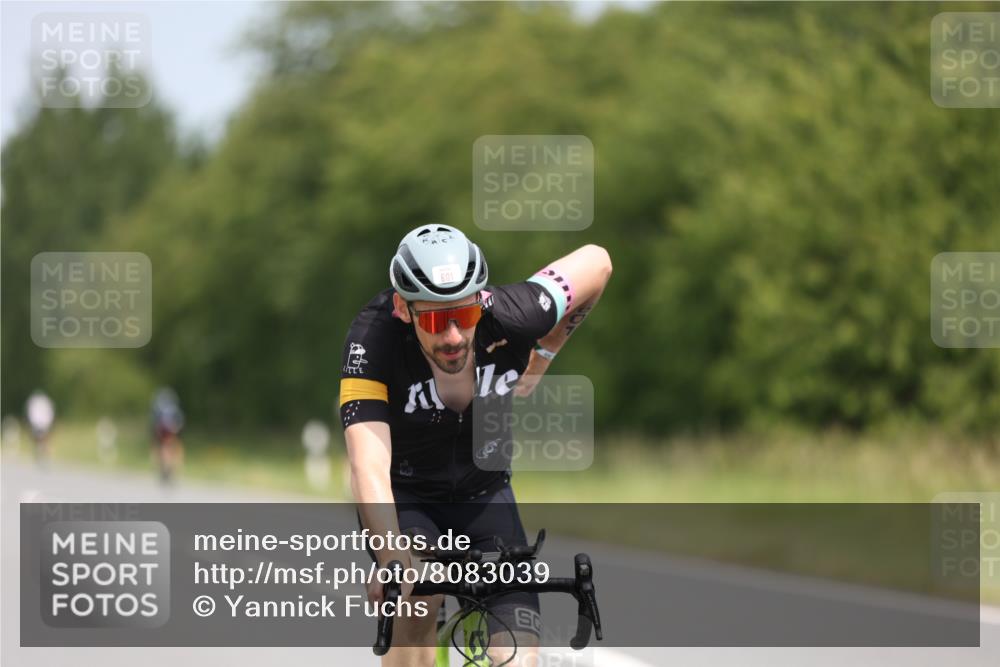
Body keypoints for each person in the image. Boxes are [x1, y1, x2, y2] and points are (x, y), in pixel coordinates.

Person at [340, 224, 611, 666]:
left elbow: (598, 261)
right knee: (416, 602)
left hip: (485, 493)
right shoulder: (372, 342)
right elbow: (368, 465)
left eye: (463, 316)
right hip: (409, 498)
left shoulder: (514, 313)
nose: (452, 336)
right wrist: (391, 553)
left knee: (517, 655)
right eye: (433, 319)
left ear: (480, 302)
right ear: (403, 310)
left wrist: (545, 352)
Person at [150, 387, 185, 483]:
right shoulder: (174, 409)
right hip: (174, 426)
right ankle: (172, 470)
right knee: (175, 447)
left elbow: (156, 425)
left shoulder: (159, 409)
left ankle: (166, 469)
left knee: (162, 447)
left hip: (164, 427)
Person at [25, 390, 55, 464]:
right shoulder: (41, 402)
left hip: (40, 423)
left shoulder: (40, 402)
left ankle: (43, 454)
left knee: (42, 439)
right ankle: (40, 453)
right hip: (41, 423)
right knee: (40, 439)